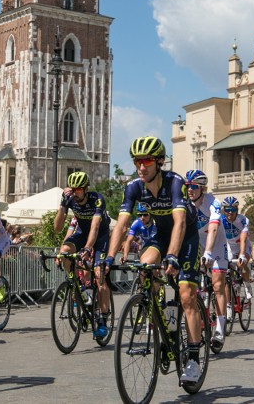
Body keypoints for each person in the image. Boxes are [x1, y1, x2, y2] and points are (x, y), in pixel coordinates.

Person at [103, 137, 202, 383]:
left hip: (186, 236)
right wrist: (108, 258)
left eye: (146, 161)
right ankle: (156, 314)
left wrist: (172, 255)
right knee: (145, 267)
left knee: (187, 295)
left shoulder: (175, 182)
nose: (141, 166)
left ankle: (193, 359)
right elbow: (122, 224)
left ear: (159, 162)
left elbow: (179, 222)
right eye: (137, 161)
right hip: (160, 234)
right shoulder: (134, 187)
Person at [53, 171, 111, 338]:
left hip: (100, 235)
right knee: (64, 252)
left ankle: (102, 319)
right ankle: (77, 284)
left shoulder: (97, 199)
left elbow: (94, 227)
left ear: (86, 189)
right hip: (81, 232)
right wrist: (63, 204)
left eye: (78, 189)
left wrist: (87, 248)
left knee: (99, 274)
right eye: (72, 189)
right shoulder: (70, 199)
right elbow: (57, 228)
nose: (75, 192)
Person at [185, 169, 228, 346]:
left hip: (216, 243)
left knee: (218, 285)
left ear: (202, 188)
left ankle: (220, 328)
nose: (190, 189)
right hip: (197, 243)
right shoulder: (185, 203)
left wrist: (208, 252)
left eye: (194, 186)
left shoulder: (213, 202)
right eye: (187, 186)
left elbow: (213, 228)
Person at [220, 196, 252, 319]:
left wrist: (242, 255)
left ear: (237, 210)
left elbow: (243, 239)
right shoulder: (221, 219)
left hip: (241, 246)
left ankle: (247, 284)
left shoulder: (243, 220)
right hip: (228, 246)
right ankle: (228, 306)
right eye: (227, 209)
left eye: (232, 210)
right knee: (227, 275)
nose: (230, 212)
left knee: (241, 264)